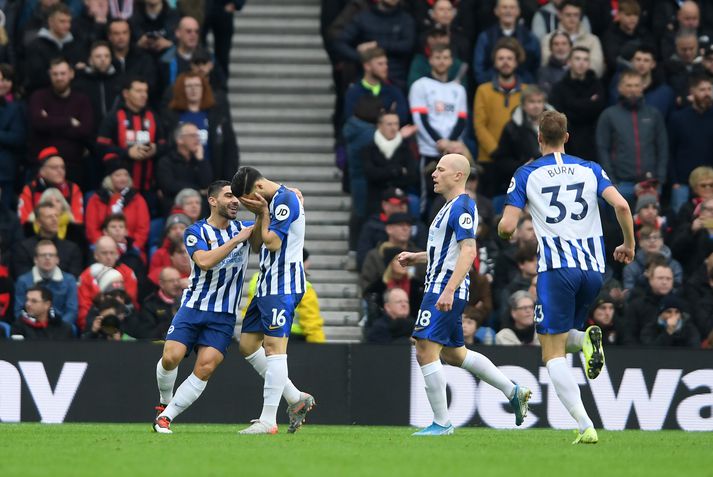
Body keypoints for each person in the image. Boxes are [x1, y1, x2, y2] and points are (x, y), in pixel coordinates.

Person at [498, 110, 636, 444]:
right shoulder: (591, 169)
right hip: (593, 270)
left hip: (557, 269)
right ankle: (586, 339)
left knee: (551, 353)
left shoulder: (527, 173)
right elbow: (622, 207)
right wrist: (628, 244)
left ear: (539, 138)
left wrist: (507, 234)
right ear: (567, 137)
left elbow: (505, 227)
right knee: (563, 334)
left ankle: (584, 424)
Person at [398, 153, 532, 436]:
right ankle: (513, 390)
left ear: (458, 175)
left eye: (440, 169)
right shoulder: (447, 207)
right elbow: (448, 251)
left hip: (444, 288)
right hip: (440, 284)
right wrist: (418, 257)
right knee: (455, 354)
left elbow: (469, 251)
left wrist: (448, 289)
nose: (434, 174)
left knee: (424, 349)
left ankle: (442, 423)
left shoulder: (464, 206)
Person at [151, 180, 253, 434]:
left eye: (237, 197)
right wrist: (238, 240)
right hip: (194, 306)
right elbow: (205, 261)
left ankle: (166, 418)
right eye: (229, 195)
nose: (235, 201)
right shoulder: (195, 231)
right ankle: (164, 400)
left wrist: (289, 199)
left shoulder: (245, 227)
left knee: (205, 367)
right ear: (213, 200)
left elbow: (275, 226)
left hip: (224, 315)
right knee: (170, 357)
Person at [229, 167, 315, 435]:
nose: (241, 205)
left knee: (274, 348)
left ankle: (268, 421)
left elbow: (274, 242)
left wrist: (263, 213)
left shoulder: (286, 199)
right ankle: (294, 397)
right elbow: (257, 245)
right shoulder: (267, 205)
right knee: (247, 345)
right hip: (266, 283)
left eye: (243, 200)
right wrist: (259, 215)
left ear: (254, 191)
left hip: (284, 284)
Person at [596, 71, 668, 205]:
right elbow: (602, 149)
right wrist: (611, 181)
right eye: (628, 85)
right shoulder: (609, 115)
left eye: (636, 85)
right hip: (621, 184)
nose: (633, 90)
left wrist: (660, 178)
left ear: (642, 87)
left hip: (650, 182)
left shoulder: (653, 114)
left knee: (649, 222)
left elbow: (662, 147)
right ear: (620, 88)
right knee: (620, 225)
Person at [409, 43, 468, 208]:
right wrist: (439, 142)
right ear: (430, 60)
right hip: (429, 151)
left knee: (453, 197)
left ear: (451, 61)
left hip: (453, 151)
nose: (442, 61)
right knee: (428, 198)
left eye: (445, 58)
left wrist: (450, 142)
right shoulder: (420, 85)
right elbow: (420, 118)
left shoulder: (458, 89)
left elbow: (461, 119)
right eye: (438, 58)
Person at [27, 58, 94, 189]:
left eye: (62, 73)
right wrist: (69, 121)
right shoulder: (39, 96)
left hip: (73, 166)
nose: (59, 78)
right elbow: (37, 124)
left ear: (71, 74)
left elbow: (85, 130)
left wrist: (50, 121)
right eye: (55, 74)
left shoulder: (82, 99)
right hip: (42, 166)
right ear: (50, 75)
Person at [474, 37, 528, 194]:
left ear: (516, 62)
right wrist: (496, 151)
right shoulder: (483, 90)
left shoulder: (527, 91)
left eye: (510, 58)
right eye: (501, 58)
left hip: (519, 161)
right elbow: (479, 125)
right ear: (495, 62)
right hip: (489, 160)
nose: (505, 62)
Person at [162, 71, 238, 182]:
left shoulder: (216, 116)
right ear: (182, 89)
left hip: (212, 175)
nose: (193, 89)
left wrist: (229, 181)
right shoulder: (172, 116)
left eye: (197, 85)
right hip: (179, 177)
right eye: (189, 86)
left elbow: (230, 149)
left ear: (204, 88)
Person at [96, 76, 166, 197]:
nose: (144, 95)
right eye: (139, 91)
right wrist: (127, 152)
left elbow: (165, 145)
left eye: (145, 91)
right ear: (126, 93)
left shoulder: (153, 116)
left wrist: (155, 149)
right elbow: (101, 147)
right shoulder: (113, 117)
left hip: (149, 188)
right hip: (118, 189)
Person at [333, 0, 416, 91]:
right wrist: (362, 58)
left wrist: (377, 44)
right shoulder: (363, 18)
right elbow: (339, 43)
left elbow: (407, 45)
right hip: (366, 78)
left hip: (396, 77)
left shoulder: (405, 19)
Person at [549, 46, 606, 159]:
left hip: (593, 142)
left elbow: (599, 108)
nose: (581, 63)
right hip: (568, 143)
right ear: (569, 62)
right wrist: (588, 102)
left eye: (585, 59)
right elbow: (559, 116)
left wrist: (572, 104)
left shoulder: (598, 85)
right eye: (577, 59)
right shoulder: (559, 87)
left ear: (589, 63)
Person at [667, 76, 713, 213]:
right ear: (692, 92)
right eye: (702, 89)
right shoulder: (678, 118)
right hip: (682, 182)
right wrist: (674, 181)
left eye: (710, 89)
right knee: (680, 219)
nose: (707, 93)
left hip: (710, 182)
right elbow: (669, 151)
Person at [491, 85, 548, 195]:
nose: (536, 106)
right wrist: (523, 166)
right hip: (523, 185)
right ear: (523, 105)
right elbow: (501, 161)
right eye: (531, 102)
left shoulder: (556, 125)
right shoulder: (511, 128)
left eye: (539, 102)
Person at [85, 153, 150, 249]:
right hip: (102, 247)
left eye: (125, 175)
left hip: (130, 247)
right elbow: (91, 229)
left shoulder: (137, 199)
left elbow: (143, 230)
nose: (123, 179)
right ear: (109, 178)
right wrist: (105, 245)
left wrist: (131, 246)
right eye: (118, 175)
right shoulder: (96, 199)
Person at [362, 111, 419, 216]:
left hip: (400, 200)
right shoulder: (369, 148)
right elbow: (370, 174)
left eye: (396, 124)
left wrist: (384, 173)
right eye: (389, 124)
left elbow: (412, 176)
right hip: (375, 202)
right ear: (379, 126)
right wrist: (397, 170)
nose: (393, 128)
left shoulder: (405, 148)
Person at [473, 0, 540, 85]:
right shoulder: (485, 37)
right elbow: (479, 70)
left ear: (518, 11)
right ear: (496, 11)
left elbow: (536, 68)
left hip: (523, 90)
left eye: (512, 8)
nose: (508, 11)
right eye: (504, 7)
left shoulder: (530, 38)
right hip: (492, 88)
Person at [10, 202, 83, 279]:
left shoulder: (71, 249)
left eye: (56, 216)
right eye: (49, 217)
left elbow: (73, 279)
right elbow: (23, 278)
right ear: (38, 222)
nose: (54, 219)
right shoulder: (23, 248)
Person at [23, 4, 85, 95]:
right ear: (50, 22)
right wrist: (72, 71)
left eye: (69, 22)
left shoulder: (75, 44)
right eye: (62, 21)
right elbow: (36, 76)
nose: (67, 25)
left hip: (71, 97)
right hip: (43, 96)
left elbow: (82, 71)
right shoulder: (36, 45)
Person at [77, 236, 138, 328]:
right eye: (104, 253)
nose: (109, 257)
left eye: (112, 253)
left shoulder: (128, 273)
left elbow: (130, 302)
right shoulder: (86, 276)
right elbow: (84, 311)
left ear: (117, 254)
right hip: (96, 323)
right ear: (95, 255)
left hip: (125, 322)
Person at [13, 240, 77, 325]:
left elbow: (72, 311)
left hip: (60, 326)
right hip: (31, 327)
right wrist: (34, 325)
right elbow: (18, 311)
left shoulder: (69, 280)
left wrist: (59, 327)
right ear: (35, 259)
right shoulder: (23, 281)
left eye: (51, 255)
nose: (47, 258)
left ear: (57, 259)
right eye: (43, 255)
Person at [155, 122, 213, 213]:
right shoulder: (166, 161)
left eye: (197, 135)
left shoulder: (199, 160)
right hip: (174, 209)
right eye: (192, 136)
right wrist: (198, 190)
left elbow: (206, 184)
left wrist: (201, 160)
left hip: (200, 210)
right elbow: (169, 186)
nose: (197, 139)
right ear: (179, 140)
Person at [17, 148, 84, 226]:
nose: (60, 171)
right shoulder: (30, 189)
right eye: (54, 168)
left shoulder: (72, 188)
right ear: (41, 170)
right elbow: (24, 221)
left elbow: (77, 221)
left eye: (62, 167)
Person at [608, 45, 676, 120]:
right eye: (638, 59)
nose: (641, 63)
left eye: (646, 60)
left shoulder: (665, 92)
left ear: (653, 64)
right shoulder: (618, 89)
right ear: (632, 61)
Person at [540, 1, 604, 78]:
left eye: (576, 15)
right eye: (568, 15)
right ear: (560, 15)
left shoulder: (592, 40)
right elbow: (546, 63)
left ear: (580, 16)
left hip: (585, 83)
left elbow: (597, 67)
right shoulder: (548, 38)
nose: (572, 18)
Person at [72, 41, 122, 136]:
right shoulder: (80, 83)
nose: (103, 59)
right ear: (90, 59)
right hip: (88, 136)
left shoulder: (119, 81)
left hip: (116, 134)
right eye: (98, 56)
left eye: (106, 56)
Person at [107, 19, 158, 96]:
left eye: (124, 33)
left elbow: (150, 85)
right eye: (116, 34)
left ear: (130, 34)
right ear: (109, 36)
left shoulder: (143, 58)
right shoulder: (104, 58)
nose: (121, 37)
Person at [624, 225, 683, 290]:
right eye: (647, 238)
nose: (652, 241)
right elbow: (629, 293)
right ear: (640, 242)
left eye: (656, 237)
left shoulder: (674, 266)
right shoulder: (631, 268)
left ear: (662, 241)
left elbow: (678, 290)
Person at [131, 266, 182, 339]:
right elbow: (148, 334)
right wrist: (170, 322)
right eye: (171, 281)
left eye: (178, 280)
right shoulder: (150, 304)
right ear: (161, 284)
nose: (176, 284)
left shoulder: (188, 301)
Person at [0, 64, 25, 209]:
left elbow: (18, 138)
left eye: (5, 79)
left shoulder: (15, 108)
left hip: (4, 171)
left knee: (4, 214)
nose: (2, 83)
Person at [537, 30, 572, 95]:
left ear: (570, 47)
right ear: (551, 48)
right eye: (556, 44)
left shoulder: (578, 70)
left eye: (564, 44)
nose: (560, 48)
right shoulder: (543, 72)